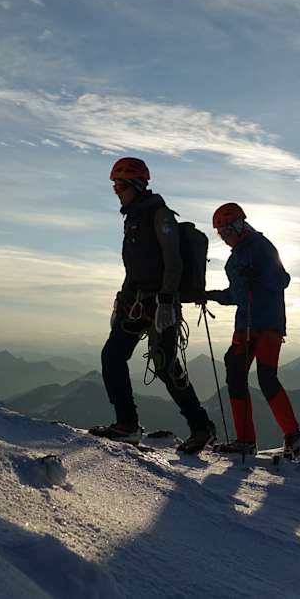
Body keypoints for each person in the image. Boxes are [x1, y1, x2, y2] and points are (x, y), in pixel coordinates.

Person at [91, 157, 216, 453]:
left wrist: (167, 301)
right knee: (113, 356)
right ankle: (127, 424)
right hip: (135, 303)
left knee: (165, 366)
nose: (116, 191)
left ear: (135, 185)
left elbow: (174, 262)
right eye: (115, 186)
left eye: (120, 186)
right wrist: (121, 299)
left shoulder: (160, 215)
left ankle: (201, 427)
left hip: (160, 303)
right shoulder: (134, 218)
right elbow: (134, 268)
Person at [204, 203, 300, 456]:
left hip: (267, 324)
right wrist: (210, 295)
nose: (224, 237)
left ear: (239, 225)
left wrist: (257, 274)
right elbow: (236, 295)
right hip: (246, 324)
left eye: (227, 231)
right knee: (235, 375)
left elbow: (282, 280)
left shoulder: (262, 246)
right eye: (221, 233)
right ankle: (246, 441)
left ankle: (292, 435)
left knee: (266, 378)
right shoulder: (233, 260)